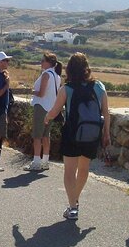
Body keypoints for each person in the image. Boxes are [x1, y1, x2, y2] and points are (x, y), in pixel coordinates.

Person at [44, 52, 110, 220]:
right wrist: (106, 133)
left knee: (69, 171)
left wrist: (47, 118)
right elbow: (106, 113)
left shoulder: (67, 88)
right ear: (87, 68)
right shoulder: (99, 86)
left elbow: (55, 110)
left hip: (72, 133)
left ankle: (73, 207)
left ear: (70, 69)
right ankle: (75, 199)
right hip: (92, 134)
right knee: (84, 168)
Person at [25, 53, 63, 171]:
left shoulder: (46, 74)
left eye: (43, 61)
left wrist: (32, 91)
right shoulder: (57, 76)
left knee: (37, 136)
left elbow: (41, 93)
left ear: (48, 62)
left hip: (41, 107)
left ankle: (36, 162)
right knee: (46, 136)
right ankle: (45, 161)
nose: (41, 63)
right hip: (51, 108)